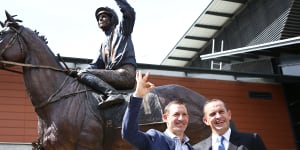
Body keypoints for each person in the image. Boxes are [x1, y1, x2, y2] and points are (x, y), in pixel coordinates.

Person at [72, 0, 136, 109]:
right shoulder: (103, 45)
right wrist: (75, 72)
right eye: (99, 18)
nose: (100, 19)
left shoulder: (122, 31)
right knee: (82, 75)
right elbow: (95, 65)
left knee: (84, 74)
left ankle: (113, 94)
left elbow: (130, 13)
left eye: (104, 16)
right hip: (113, 75)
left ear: (112, 19)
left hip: (125, 74)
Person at [121, 71, 194, 150]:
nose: (181, 118)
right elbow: (129, 133)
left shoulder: (189, 148)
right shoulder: (154, 139)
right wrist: (137, 96)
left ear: (188, 119)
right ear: (165, 117)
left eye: (184, 114)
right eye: (176, 114)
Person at [193, 99, 266, 150]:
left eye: (221, 112)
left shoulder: (252, 140)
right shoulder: (197, 148)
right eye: (213, 114)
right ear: (206, 121)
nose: (218, 116)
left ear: (229, 115)